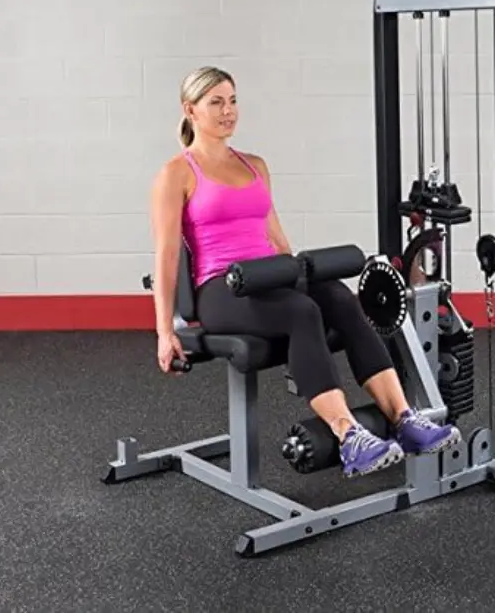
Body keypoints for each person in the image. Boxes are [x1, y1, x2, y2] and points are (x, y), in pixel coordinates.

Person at [149, 65, 461, 478]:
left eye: (233, 100)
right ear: (191, 109)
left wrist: (299, 277)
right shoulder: (177, 173)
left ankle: (404, 420)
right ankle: (349, 436)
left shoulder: (255, 165)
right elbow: (167, 255)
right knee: (302, 312)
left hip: (268, 276)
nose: (228, 111)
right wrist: (165, 332)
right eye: (216, 102)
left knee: (337, 298)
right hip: (220, 290)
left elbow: (277, 239)